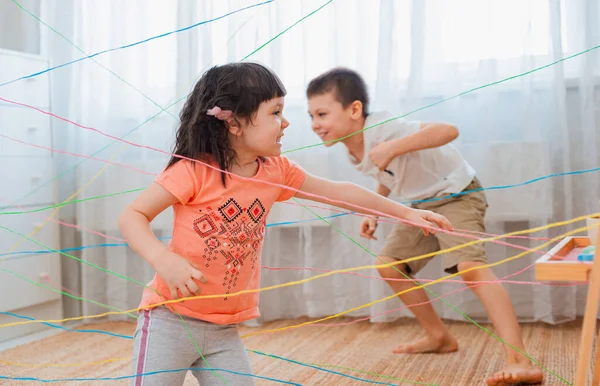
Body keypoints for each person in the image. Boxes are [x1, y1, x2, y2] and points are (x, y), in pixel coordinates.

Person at [118, 62, 452, 386]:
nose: (287, 122)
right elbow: (132, 216)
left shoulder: (276, 171)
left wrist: (406, 213)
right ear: (233, 123)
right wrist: (164, 261)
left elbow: (339, 192)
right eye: (276, 112)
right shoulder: (193, 171)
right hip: (168, 322)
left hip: (223, 330)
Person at [305, 67, 544, 386]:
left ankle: (520, 360)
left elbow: (448, 130)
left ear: (355, 109)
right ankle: (439, 336)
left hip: (458, 194)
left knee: (471, 267)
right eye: (311, 116)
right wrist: (374, 210)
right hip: (422, 208)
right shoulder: (353, 149)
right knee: (389, 265)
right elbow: (389, 174)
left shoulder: (384, 128)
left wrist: (394, 147)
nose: (315, 125)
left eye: (321, 113)